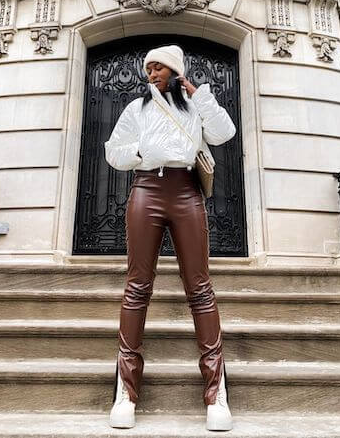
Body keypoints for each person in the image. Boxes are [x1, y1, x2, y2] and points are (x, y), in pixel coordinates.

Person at [104, 44, 236, 431]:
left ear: (175, 71)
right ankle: (126, 392)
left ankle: (216, 393)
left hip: (186, 192)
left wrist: (202, 96)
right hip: (146, 190)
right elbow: (114, 152)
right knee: (137, 286)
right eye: (148, 67)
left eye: (159, 66)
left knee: (200, 287)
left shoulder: (195, 107)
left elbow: (224, 133)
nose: (151, 73)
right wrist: (144, 149)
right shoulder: (137, 109)